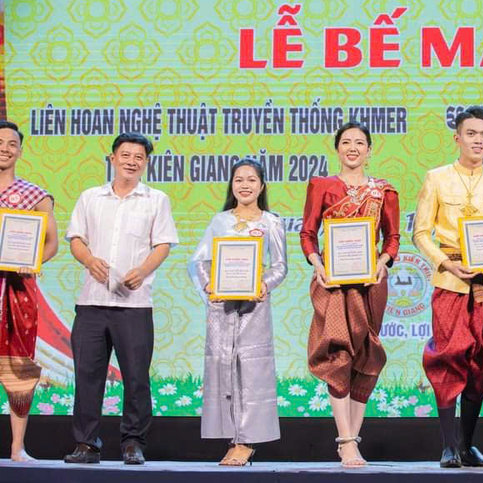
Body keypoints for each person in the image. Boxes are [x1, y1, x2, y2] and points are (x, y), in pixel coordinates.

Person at [63, 133, 179, 465]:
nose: (131, 161)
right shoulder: (90, 197)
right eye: (125, 155)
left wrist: (142, 271)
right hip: (92, 303)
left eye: (138, 157)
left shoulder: (156, 200)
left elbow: (163, 244)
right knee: (87, 376)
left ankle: (133, 443)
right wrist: (89, 260)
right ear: (112, 159)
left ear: (146, 163)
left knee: (137, 378)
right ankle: (86, 444)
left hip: (134, 305)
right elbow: (76, 238)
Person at [413, 106, 483, 468]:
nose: (478, 140)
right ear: (457, 138)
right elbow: (421, 233)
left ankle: (467, 445)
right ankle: (448, 446)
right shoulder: (437, 178)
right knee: (448, 356)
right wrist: (446, 262)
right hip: (451, 282)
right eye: (471, 134)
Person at [300, 122, 400, 467]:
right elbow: (308, 233)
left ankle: (352, 441)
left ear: (369, 150)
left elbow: (392, 237)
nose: (353, 148)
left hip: (370, 282)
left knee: (367, 356)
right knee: (337, 353)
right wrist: (317, 264)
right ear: (337, 148)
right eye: (346, 142)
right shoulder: (322, 186)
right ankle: (345, 440)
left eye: (360, 142)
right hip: (333, 281)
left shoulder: (384, 191)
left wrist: (384, 261)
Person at [188, 158, 287, 466]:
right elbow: (198, 261)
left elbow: (280, 266)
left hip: (254, 307)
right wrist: (209, 286)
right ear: (232, 185)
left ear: (262, 185)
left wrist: (264, 284)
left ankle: (247, 441)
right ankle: (232, 438)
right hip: (222, 309)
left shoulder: (271, 222)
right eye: (239, 180)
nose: (245, 185)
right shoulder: (220, 221)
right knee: (223, 367)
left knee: (252, 371)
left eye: (251, 180)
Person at [0, 121, 59, 462]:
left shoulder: (35, 195)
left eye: (12, 143)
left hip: (18, 290)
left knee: (18, 366)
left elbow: (50, 244)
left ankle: (17, 447)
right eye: (0, 142)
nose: (5, 148)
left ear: (20, 151)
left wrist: (32, 261)